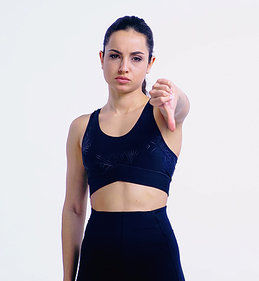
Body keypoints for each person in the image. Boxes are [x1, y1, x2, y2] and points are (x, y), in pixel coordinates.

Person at [61, 15, 189, 281]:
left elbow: (181, 108)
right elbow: (73, 208)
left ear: (150, 63)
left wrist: (175, 96)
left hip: (154, 254)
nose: (124, 67)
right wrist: (67, 277)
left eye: (136, 58)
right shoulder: (81, 127)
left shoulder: (162, 114)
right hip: (98, 254)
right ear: (102, 58)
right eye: (115, 56)